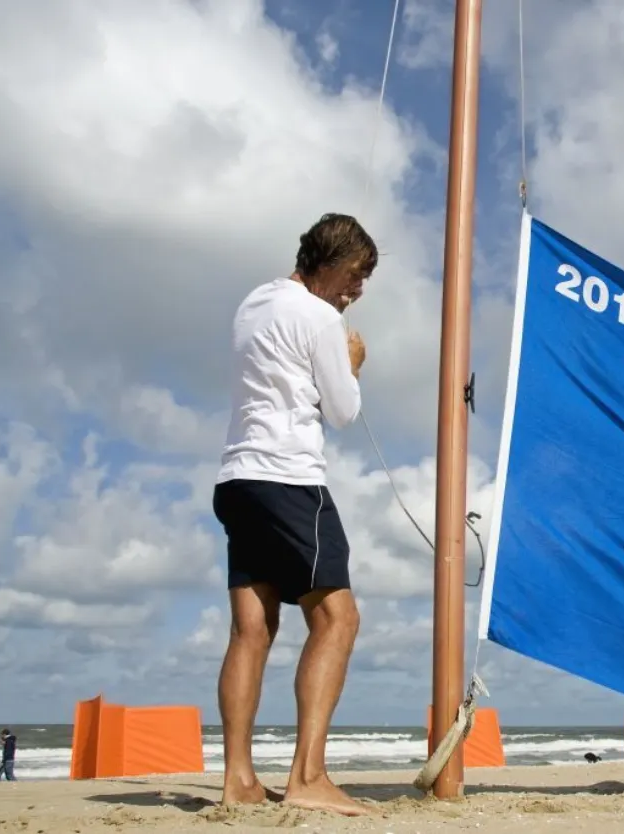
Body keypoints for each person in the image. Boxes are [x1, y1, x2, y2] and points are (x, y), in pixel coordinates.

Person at [212, 213, 376, 816]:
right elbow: (340, 412)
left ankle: (238, 781)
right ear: (331, 262)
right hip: (288, 478)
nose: (357, 290)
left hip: (237, 479)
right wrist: (352, 360)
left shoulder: (255, 302)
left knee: (251, 630)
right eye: (356, 275)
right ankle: (307, 776)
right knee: (338, 619)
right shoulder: (321, 317)